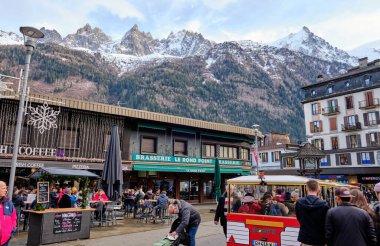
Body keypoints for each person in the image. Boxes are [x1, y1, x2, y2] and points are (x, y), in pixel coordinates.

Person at [295, 179, 329, 246]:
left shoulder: (299, 203)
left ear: (306, 188)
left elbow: (299, 218)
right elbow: (327, 222)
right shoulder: (324, 204)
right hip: (320, 239)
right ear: (318, 189)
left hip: (305, 238)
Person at [0, 181, 17, 246]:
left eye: (6, 188)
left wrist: (11, 233)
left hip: (5, 239)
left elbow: (14, 218)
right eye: (3, 188)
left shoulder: (9, 203)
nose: (6, 190)